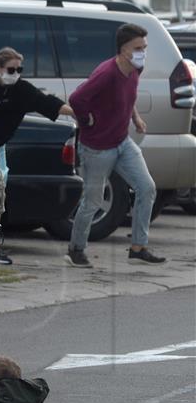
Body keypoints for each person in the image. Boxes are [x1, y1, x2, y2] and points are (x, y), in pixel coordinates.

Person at [66, 23, 165, 268]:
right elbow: (77, 98)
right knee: (93, 202)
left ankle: (138, 247)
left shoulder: (134, 69)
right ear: (123, 50)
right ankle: (76, 249)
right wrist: (86, 119)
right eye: (138, 48)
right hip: (97, 148)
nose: (143, 52)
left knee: (147, 188)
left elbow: (127, 97)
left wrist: (136, 118)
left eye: (145, 47)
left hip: (123, 142)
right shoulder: (107, 73)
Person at [0, 47, 74, 266]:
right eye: (10, 69)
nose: (15, 73)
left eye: (19, 69)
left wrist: (76, 112)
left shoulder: (21, 91)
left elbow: (47, 103)